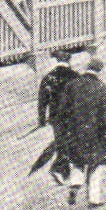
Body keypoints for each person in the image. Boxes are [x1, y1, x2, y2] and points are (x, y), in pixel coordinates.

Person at [59, 54, 106, 208]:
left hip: (74, 132)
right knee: (97, 164)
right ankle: (94, 198)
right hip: (94, 134)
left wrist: (65, 130)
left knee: (77, 161)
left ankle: (75, 184)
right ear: (99, 71)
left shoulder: (72, 85)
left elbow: (62, 110)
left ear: (87, 68)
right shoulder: (101, 88)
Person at [36, 48, 78, 186]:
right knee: (70, 141)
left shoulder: (48, 77)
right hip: (72, 115)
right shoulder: (75, 76)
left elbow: (42, 101)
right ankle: (59, 169)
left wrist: (42, 119)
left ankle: (63, 172)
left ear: (56, 61)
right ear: (68, 60)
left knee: (61, 141)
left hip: (55, 117)